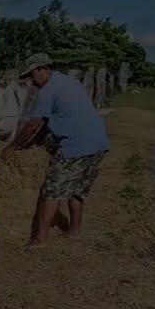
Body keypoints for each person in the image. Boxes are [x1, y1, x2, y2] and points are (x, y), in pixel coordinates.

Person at [14, 53, 110, 249]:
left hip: (75, 145)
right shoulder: (69, 82)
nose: (31, 81)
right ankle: (74, 232)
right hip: (98, 143)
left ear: (42, 69)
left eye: (32, 75)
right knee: (76, 191)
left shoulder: (47, 91)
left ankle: (40, 240)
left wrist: (14, 147)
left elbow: (34, 124)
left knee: (52, 192)